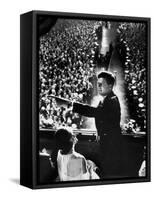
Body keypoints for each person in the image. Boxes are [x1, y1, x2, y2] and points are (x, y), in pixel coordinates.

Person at [72, 71, 122, 178]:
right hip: (107, 142)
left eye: (101, 84)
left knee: (108, 172)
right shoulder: (106, 99)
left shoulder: (111, 101)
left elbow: (94, 112)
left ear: (110, 85)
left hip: (111, 145)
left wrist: (71, 105)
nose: (98, 86)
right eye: (97, 84)